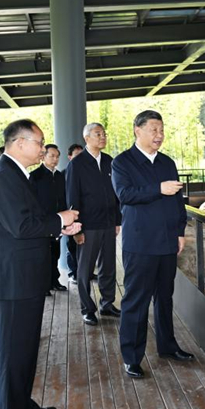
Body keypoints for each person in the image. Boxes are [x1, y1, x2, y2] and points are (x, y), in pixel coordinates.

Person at [0, 119, 80, 409]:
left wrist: (59, 228)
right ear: (19, 143)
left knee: (24, 349)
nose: (43, 148)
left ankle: (20, 404)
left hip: (23, 277)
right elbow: (20, 227)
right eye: (39, 143)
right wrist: (59, 219)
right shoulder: (3, 177)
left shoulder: (13, 174)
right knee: (14, 351)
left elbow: (30, 221)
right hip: (13, 280)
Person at [112, 110, 193, 379]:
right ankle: (132, 357)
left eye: (161, 130)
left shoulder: (167, 162)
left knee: (164, 298)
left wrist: (180, 231)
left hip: (168, 241)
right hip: (140, 243)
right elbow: (125, 195)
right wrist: (158, 188)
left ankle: (168, 346)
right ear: (138, 130)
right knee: (136, 301)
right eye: (153, 130)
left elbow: (177, 199)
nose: (159, 135)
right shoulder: (123, 162)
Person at [66, 124, 122, 327]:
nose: (103, 137)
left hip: (108, 222)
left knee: (108, 266)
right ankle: (87, 309)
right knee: (85, 270)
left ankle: (107, 303)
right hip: (88, 225)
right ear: (87, 138)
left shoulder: (109, 161)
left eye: (104, 133)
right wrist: (77, 229)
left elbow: (116, 194)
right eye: (98, 134)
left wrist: (117, 220)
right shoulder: (77, 164)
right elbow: (72, 198)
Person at [31, 144, 68, 293]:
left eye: (57, 156)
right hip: (42, 221)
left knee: (56, 252)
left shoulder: (60, 176)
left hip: (58, 219)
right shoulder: (35, 176)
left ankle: (54, 280)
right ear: (43, 157)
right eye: (51, 156)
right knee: (43, 254)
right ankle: (44, 284)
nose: (55, 159)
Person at [64, 143, 84, 284]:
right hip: (68, 216)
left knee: (84, 247)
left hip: (84, 216)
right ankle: (73, 272)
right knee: (72, 246)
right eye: (77, 156)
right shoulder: (65, 173)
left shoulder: (86, 172)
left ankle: (83, 272)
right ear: (70, 157)